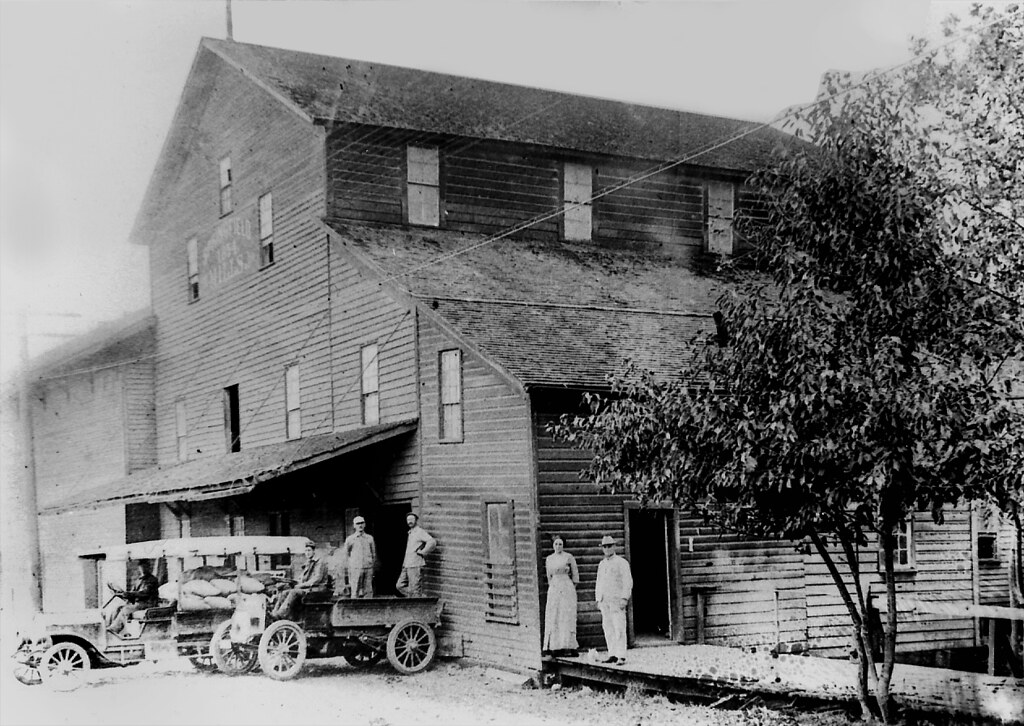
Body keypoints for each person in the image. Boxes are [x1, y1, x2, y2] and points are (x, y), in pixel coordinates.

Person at [595, 534, 632, 665]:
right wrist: (598, 599)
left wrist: (624, 598)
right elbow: (599, 582)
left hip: (617, 600)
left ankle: (621, 655)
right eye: (604, 546)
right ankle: (612, 654)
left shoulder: (621, 563)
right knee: (608, 628)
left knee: (619, 627)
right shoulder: (602, 564)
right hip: (605, 601)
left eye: (609, 546)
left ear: (614, 546)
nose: (607, 549)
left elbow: (627, 582)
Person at [271, 541, 331, 620]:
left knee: (294, 592)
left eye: (309, 550)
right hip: (308, 588)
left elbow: (317, 579)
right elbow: (301, 578)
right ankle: (274, 613)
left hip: (318, 588)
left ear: (314, 551)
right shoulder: (308, 562)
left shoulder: (319, 562)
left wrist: (300, 585)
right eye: (306, 551)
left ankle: (281, 614)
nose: (307, 553)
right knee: (284, 592)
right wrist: (291, 582)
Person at [542, 534, 579, 657]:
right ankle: (555, 647)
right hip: (555, 587)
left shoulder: (569, 557)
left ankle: (570, 646)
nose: (558, 546)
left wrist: (571, 588)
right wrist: (554, 587)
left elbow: (575, 575)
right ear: (553, 545)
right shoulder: (549, 559)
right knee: (555, 615)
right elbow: (549, 576)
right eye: (556, 544)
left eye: (560, 544)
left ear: (564, 545)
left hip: (567, 587)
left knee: (567, 615)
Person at [105, 560, 159, 634]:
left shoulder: (152, 580)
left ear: (148, 567)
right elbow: (133, 592)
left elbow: (145, 593)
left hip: (148, 603)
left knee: (126, 610)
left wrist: (130, 594)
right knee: (118, 608)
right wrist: (124, 594)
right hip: (139, 603)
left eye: (144, 567)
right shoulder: (139, 580)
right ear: (139, 568)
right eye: (141, 567)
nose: (142, 569)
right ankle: (110, 628)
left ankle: (114, 629)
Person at [395, 512, 435, 597]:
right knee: (399, 586)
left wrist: (423, 551)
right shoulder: (411, 532)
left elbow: (432, 542)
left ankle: (417, 602)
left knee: (415, 588)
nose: (410, 521)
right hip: (407, 564)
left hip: (415, 564)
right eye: (408, 520)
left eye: (412, 519)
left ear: (416, 520)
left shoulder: (419, 532)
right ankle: (417, 598)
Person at [344, 515, 377, 598]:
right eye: (358, 523)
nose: (360, 525)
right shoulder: (350, 539)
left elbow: (373, 553)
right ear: (354, 526)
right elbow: (346, 554)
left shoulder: (370, 538)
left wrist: (370, 564)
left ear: (365, 524)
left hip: (368, 567)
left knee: (368, 590)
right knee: (355, 589)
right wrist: (352, 564)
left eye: (362, 523)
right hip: (355, 567)